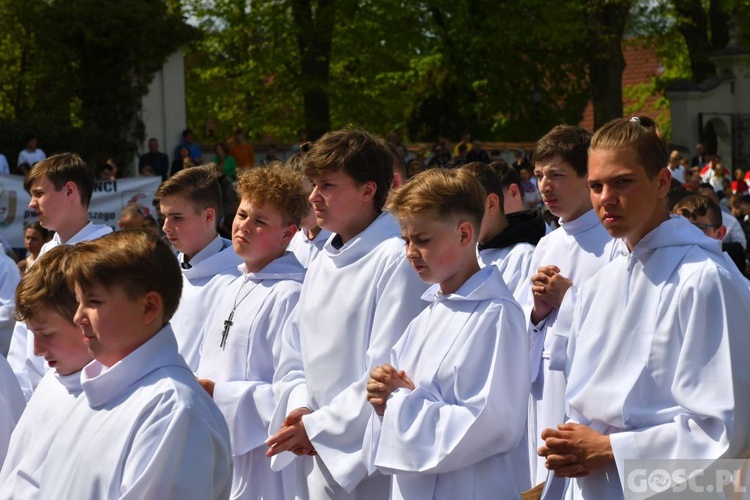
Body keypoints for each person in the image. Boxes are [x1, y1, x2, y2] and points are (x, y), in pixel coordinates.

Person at [539, 116, 750, 498]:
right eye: (596, 186)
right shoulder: (599, 284)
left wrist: (613, 451)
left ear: (662, 183)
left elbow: (726, 433)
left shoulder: (703, 280)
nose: (606, 198)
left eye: (622, 181)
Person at [267, 129, 428, 498]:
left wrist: (320, 428)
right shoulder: (324, 257)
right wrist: (301, 408)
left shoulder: (395, 258)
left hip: (369, 461)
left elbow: (387, 368)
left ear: (368, 190)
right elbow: (294, 351)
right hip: (316, 445)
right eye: (313, 184)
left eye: (327, 185)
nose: (313, 197)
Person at [365, 168, 531, 498]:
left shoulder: (497, 316)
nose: (411, 251)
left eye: (423, 240)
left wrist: (398, 401)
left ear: (465, 234)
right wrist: (382, 396)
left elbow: (491, 426)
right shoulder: (425, 317)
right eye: (406, 241)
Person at [38, 230, 232, 498]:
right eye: (79, 301)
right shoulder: (95, 390)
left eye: (93, 302)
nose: (78, 317)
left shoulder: (174, 412)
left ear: (148, 307)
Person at [516, 125, 624, 489]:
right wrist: (537, 313)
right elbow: (527, 329)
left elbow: (622, 321)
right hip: (548, 388)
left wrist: (570, 297)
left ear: (587, 177)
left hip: (590, 390)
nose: (545, 186)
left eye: (558, 175)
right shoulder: (547, 243)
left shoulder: (613, 241)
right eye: (539, 175)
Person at [196, 165, 308, 499]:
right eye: (243, 214)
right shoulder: (230, 284)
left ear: (288, 234)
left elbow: (292, 388)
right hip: (218, 445)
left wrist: (219, 394)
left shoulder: (291, 294)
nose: (244, 226)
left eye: (260, 221)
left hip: (265, 462)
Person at [8, 153, 112, 400]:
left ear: (69, 191)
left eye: (39, 193)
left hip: (88, 394)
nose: (32, 204)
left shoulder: (107, 254)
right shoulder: (44, 254)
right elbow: (24, 333)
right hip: (36, 393)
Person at [0, 246, 92, 498]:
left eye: (47, 334)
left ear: (87, 319)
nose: (37, 351)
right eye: (32, 336)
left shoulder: (113, 398)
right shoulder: (53, 380)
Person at [154, 165, 242, 371]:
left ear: (208, 216)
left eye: (177, 217)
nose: (166, 227)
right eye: (163, 217)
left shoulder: (238, 278)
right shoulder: (163, 272)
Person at [462, 162, 538, 293]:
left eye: (465, 209)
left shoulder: (524, 257)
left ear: (491, 204)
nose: (460, 220)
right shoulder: (466, 252)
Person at [673, 194, 747, 276]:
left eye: (698, 229)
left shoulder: (718, 275)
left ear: (719, 233)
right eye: (679, 229)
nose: (686, 237)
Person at [286, 147, 332, 269]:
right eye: (290, 193)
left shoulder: (341, 243)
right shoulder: (288, 244)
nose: (294, 201)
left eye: (302, 191)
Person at [698, 183, 747, 250]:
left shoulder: (731, 221)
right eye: (702, 203)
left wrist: (720, 249)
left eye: (710, 201)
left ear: (717, 200)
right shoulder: (693, 222)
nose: (707, 206)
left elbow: (742, 245)